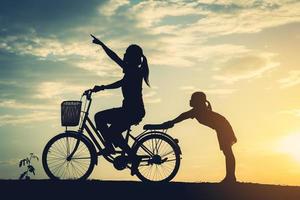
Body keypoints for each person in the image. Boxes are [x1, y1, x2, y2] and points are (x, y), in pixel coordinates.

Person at [90, 34, 150, 175]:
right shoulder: (133, 71)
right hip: (130, 110)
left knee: (105, 123)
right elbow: (120, 83)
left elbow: (114, 57)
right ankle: (114, 147)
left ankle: (129, 156)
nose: (124, 56)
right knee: (105, 122)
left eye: (126, 54)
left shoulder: (133, 71)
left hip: (132, 111)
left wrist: (102, 45)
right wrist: (102, 87)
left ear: (132, 58)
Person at [162, 91, 237, 183]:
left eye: (192, 99)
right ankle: (230, 177)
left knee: (228, 153)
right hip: (222, 127)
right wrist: (171, 122)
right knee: (227, 153)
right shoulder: (198, 110)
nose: (190, 101)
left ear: (198, 101)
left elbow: (183, 116)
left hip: (223, 128)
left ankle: (231, 177)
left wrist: (171, 122)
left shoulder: (197, 110)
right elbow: (184, 116)